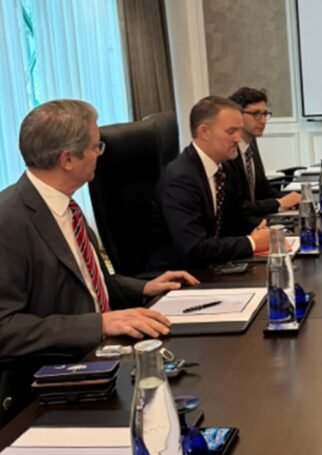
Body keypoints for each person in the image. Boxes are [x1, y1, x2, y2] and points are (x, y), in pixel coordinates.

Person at [0, 99, 198, 360]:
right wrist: (99, 325)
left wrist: (144, 288)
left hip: (103, 353)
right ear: (67, 159)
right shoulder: (8, 220)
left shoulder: (67, 206)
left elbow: (89, 284)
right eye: (96, 147)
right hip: (53, 369)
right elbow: (5, 329)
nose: (100, 154)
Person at [148, 96, 270, 270]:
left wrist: (270, 231)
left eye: (239, 130)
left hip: (213, 265)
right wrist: (252, 242)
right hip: (180, 274)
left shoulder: (223, 167)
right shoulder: (181, 179)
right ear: (204, 132)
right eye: (231, 131)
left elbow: (236, 217)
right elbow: (194, 248)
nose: (238, 138)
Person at [228, 87, 301, 224]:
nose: (263, 121)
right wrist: (279, 203)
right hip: (240, 226)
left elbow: (263, 188)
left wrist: (292, 199)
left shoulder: (251, 143)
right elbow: (238, 207)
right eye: (256, 114)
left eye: (265, 114)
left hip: (257, 219)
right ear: (237, 115)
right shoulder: (228, 152)